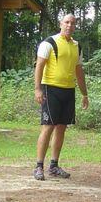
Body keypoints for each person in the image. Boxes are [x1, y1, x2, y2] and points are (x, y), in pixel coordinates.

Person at [33, 14, 89, 181]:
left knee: (61, 128)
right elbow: (39, 65)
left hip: (68, 90)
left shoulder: (77, 46)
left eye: (72, 23)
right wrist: (38, 89)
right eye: (66, 22)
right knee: (48, 127)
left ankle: (54, 165)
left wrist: (84, 94)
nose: (69, 25)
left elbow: (79, 71)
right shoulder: (49, 43)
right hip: (51, 89)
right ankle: (38, 166)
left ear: (75, 26)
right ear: (61, 23)